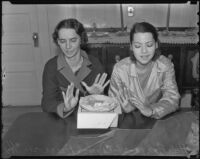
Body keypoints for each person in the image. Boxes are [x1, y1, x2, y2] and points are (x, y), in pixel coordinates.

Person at [108, 22, 180, 119]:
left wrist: (151, 110)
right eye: (138, 46)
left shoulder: (165, 65)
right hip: (128, 122)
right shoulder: (120, 69)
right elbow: (112, 103)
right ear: (131, 47)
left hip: (157, 121)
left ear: (156, 44)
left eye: (149, 45)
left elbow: (173, 99)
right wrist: (124, 108)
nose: (144, 51)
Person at [41, 18, 110, 118]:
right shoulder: (51, 66)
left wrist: (98, 96)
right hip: (61, 119)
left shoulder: (95, 63)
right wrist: (65, 108)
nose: (68, 46)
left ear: (81, 40)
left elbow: (106, 102)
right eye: (63, 41)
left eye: (73, 40)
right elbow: (47, 103)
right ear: (58, 42)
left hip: (90, 118)